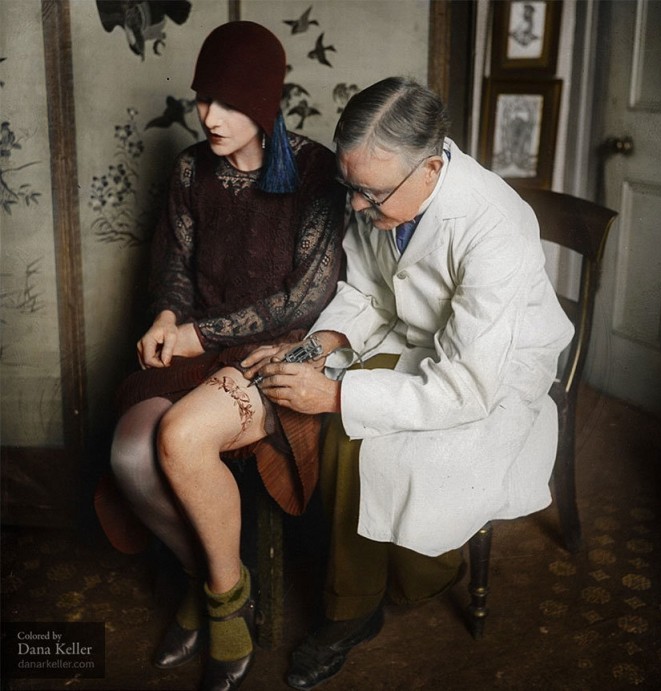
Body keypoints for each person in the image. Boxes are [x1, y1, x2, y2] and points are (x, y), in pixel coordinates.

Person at [242, 76, 574, 690]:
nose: (356, 208)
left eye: (370, 194)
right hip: (417, 337)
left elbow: (467, 386)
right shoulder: (387, 193)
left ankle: (418, 577)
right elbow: (367, 290)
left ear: (430, 169)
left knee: (380, 445)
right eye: (350, 188)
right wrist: (320, 345)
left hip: (495, 375)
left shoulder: (495, 225)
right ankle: (353, 606)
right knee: (344, 429)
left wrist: (335, 393)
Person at [108, 21, 345, 691]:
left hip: (274, 355)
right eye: (204, 98)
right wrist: (166, 315)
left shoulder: (316, 172)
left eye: (231, 103)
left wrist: (198, 334)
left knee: (179, 440)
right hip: (201, 344)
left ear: (266, 103)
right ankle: (212, 575)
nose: (211, 117)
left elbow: (303, 300)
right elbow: (176, 268)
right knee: (129, 454)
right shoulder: (191, 168)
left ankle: (222, 609)